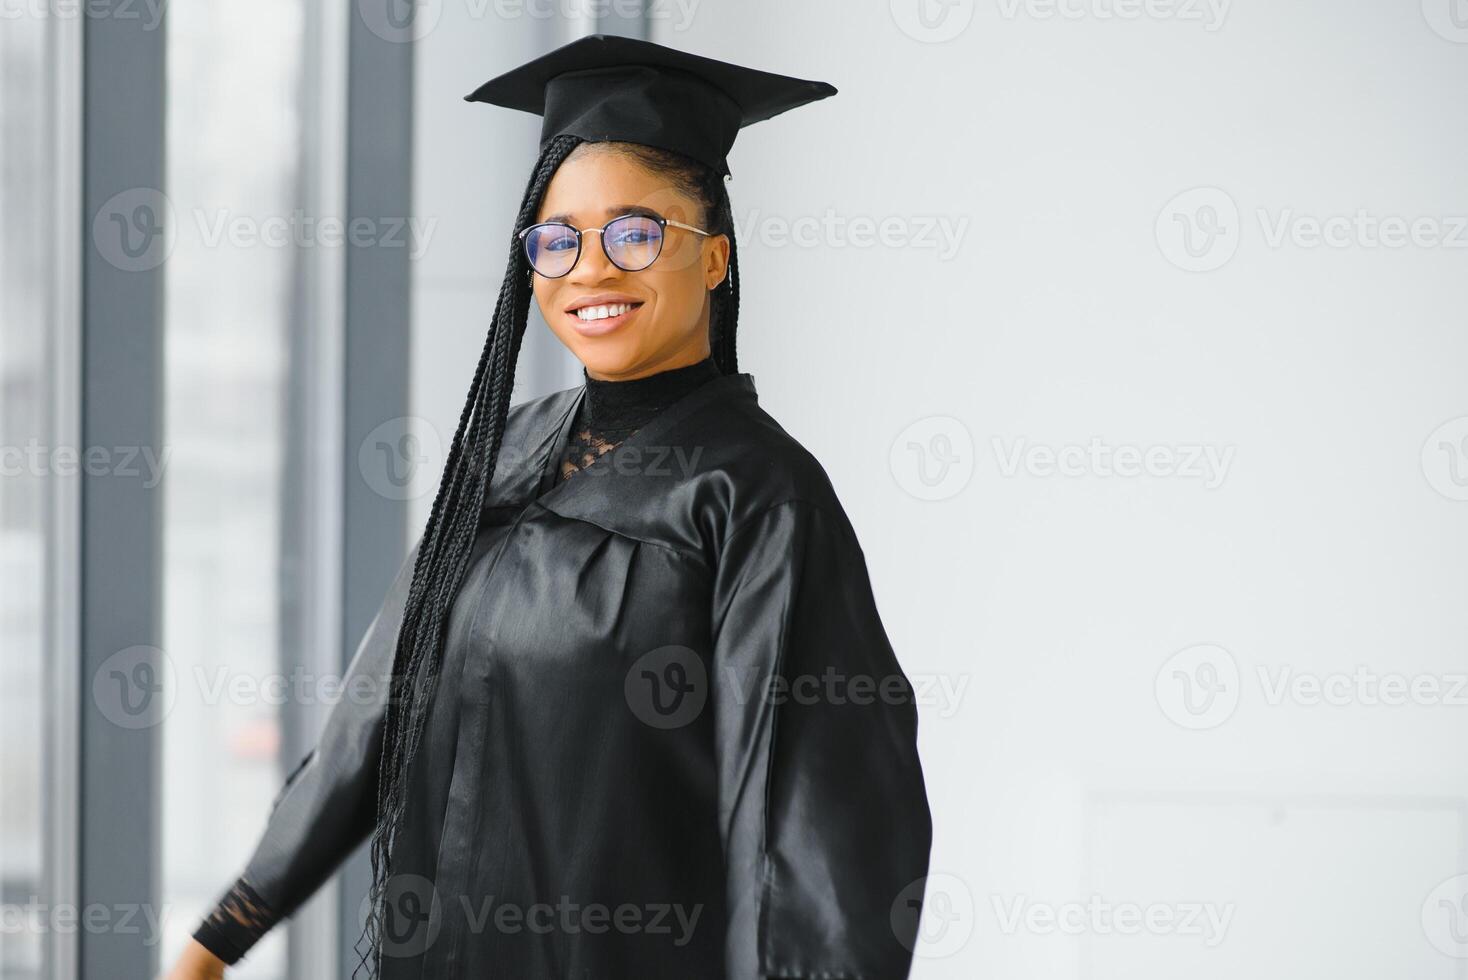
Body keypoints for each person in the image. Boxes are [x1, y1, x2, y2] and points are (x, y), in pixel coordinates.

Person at [166, 34, 932, 980]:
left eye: (637, 232)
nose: (591, 268)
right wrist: (224, 934)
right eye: (558, 238)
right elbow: (377, 708)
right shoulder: (506, 450)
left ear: (715, 258)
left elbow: (799, 823)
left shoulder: (756, 496)